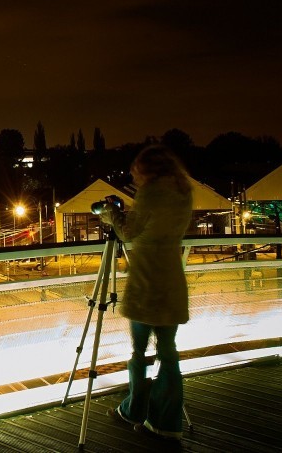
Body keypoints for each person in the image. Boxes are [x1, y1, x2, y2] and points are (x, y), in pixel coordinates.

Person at [100, 145, 192, 440]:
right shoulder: (183, 191)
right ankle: (168, 422)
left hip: (147, 281)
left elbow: (129, 233)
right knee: (169, 352)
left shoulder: (151, 192)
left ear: (147, 171)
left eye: (136, 172)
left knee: (139, 353)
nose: (134, 177)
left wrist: (112, 215)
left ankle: (133, 409)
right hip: (172, 279)